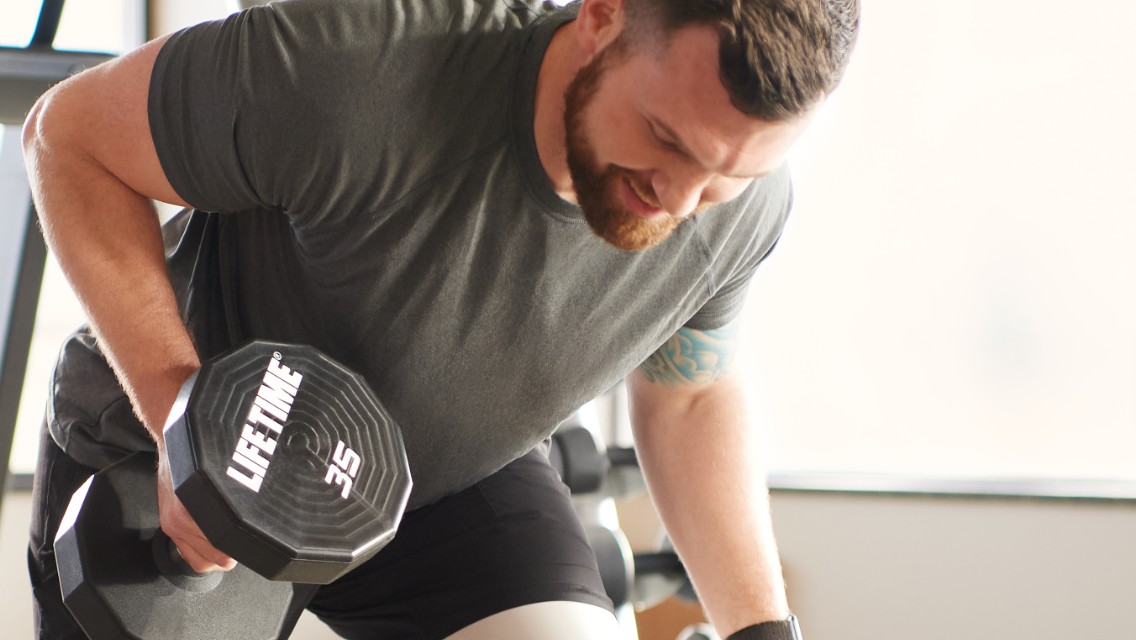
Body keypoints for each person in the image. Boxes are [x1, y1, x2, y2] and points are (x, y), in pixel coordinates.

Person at [21, 0, 858, 638]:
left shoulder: (741, 216)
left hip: (439, 484)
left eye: (729, 174)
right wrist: (180, 416)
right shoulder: (362, 65)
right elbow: (68, 138)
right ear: (604, 15)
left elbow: (690, 396)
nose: (679, 200)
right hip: (194, 437)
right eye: (665, 139)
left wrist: (761, 630)